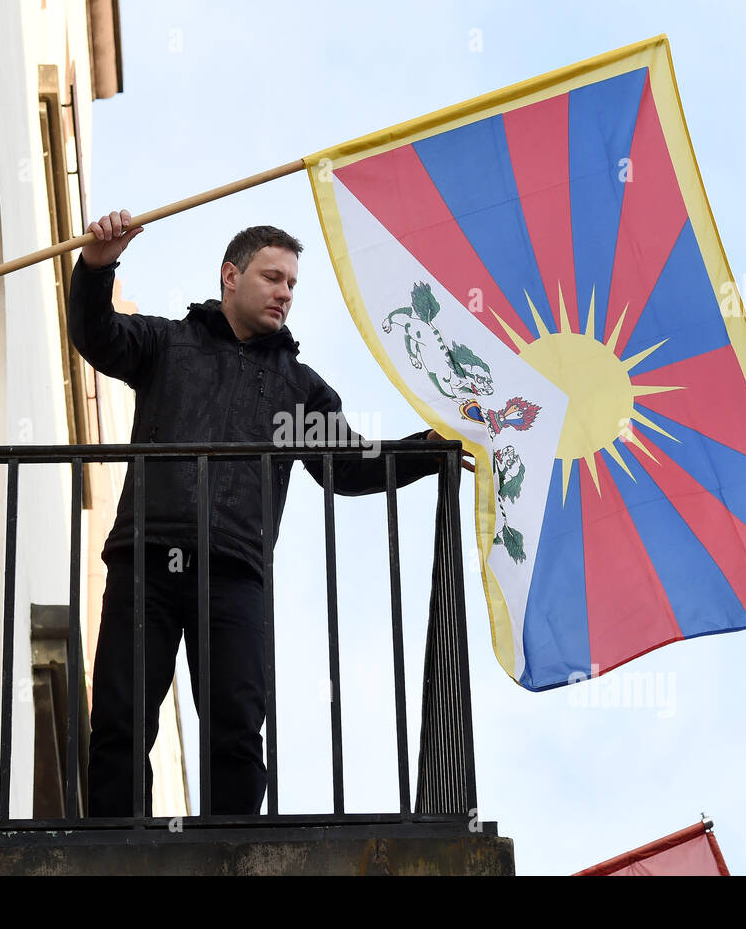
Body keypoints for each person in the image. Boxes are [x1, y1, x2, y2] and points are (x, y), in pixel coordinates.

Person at [67, 209, 469, 818]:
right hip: (147, 557)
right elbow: (97, 336)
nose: (285, 292)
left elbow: (349, 468)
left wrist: (430, 450)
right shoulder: (168, 343)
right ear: (231, 275)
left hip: (234, 573)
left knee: (235, 730)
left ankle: (229, 851)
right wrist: (98, 265)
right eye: (272, 277)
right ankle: (111, 847)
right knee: (121, 720)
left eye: (292, 284)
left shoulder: (300, 387)